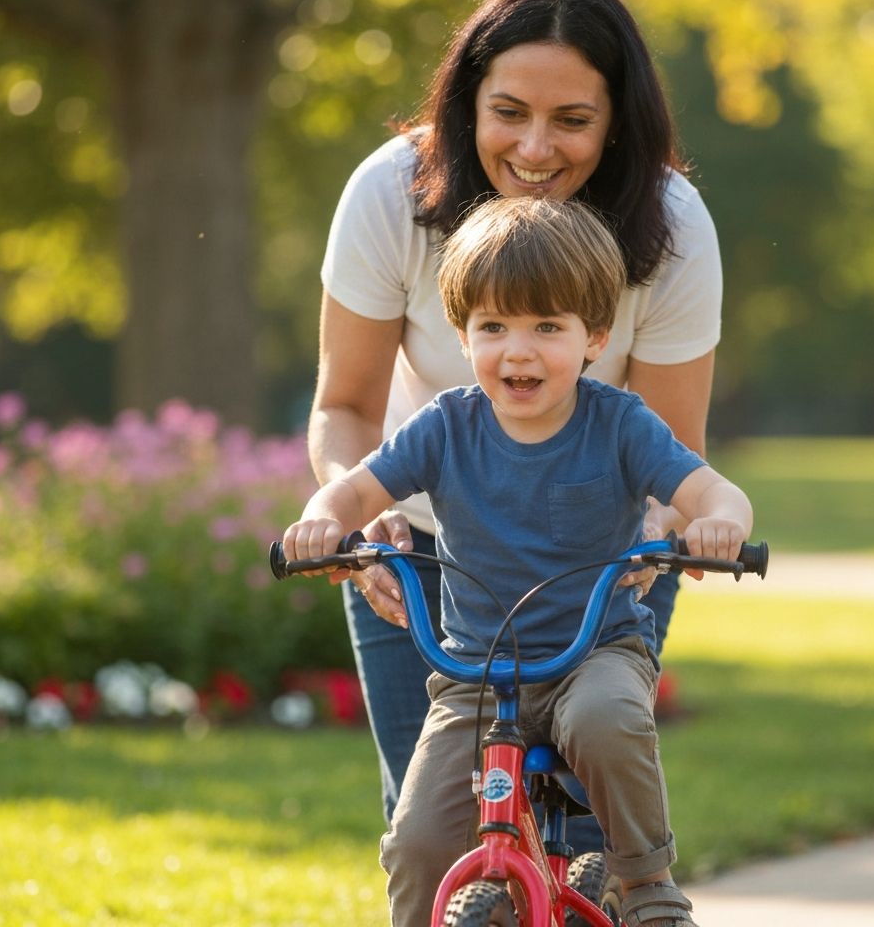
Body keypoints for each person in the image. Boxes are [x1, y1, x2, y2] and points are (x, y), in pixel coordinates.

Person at [308, 0, 723, 850]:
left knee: (580, 841)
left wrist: (664, 538)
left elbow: (676, 444)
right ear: (468, 103)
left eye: (573, 120)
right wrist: (353, 517)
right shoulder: (392, 194)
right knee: (433, 831)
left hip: (596, 566)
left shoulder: (673, 225)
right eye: (510, 112)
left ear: (617, 125)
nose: (535, 150)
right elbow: (344, 404)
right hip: (428, 557)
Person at [286, 197, 752, 927]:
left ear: (595, 336)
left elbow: (711, 490)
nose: (518, 350)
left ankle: (646, 884)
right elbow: (354, 489)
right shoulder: (446, 426)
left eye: (547, 327)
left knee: (606, 721)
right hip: (476, 675)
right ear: (463, 333)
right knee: (416, 843)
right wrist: (322, 524)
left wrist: (719, 524)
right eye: (493, 326)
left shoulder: (620, 423)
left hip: (592, 656)